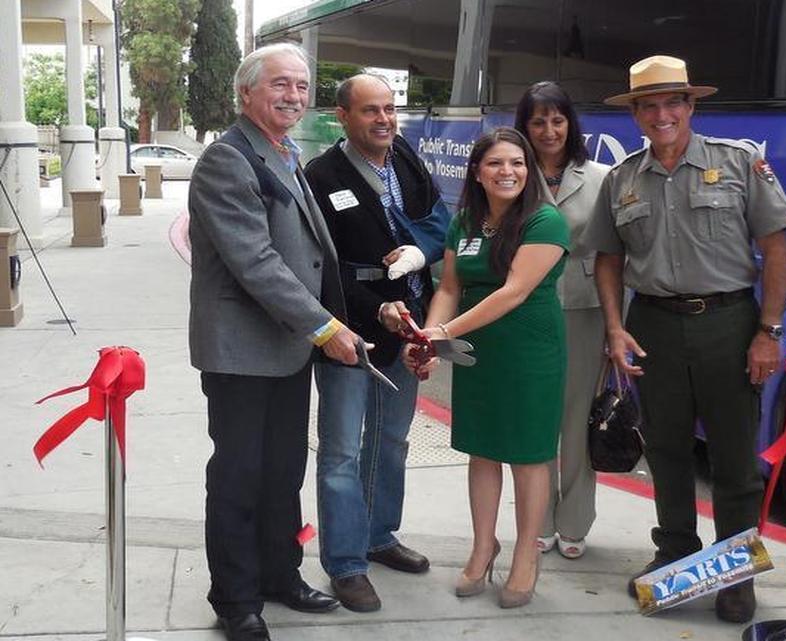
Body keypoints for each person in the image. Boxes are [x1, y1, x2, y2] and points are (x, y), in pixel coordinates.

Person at [580, 54, 786, 623]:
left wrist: (768, 332)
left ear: (690, 105)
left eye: (671, 102)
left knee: (732, 457)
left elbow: (776, 249)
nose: (661, 114)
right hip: (653, 325)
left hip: (728, 325)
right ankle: (675, 553)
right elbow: (608, 258)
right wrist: (614, 325)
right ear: (635, 114)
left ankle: (736, 572)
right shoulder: (623, 177)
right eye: (647, 105)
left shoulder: (739, 163)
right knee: (667, 449)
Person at [188, 43, 363, 641]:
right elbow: (256, 262)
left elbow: (310, 251)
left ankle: (279, 574)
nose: (294, 95)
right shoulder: (226, 160)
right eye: (280, 85)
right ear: (246, 94)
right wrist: (324, 326)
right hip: (240, 351)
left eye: (300, 85)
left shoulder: (285, 152)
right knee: (238, 474)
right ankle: (236, 598)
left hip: (285, 349)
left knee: (283, 470)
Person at [403, 127, 569, 609]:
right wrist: (426, 338)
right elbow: (449, 288)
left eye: (517, 163)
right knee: (482, 449)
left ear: (529, 170)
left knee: (528, 453)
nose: (508, 172)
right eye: (496, 163)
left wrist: (442, 335)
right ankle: (483, 546)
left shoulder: (545, 221)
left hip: (530, 351)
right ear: (478, 172)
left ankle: (525, 556)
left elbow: (513, 291)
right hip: (476, 350)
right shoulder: (466, 222)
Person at [303, 74, 448, 612]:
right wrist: (370, 312)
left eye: (389, 109)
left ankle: (380, 535)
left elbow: (439, 224)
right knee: (341, 451)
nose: (384, 120)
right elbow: (319, 266)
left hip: (407, 327)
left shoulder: (406, 159)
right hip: (348, 330)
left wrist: (418, 257)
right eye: (370, 111)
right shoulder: (320, 176)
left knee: (391, 441)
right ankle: (344, 562)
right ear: (343, 116)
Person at [513, 82, 608, 560]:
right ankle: (538, 518)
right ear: (524, 127)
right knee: (533, 416)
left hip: (584, 308)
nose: (549, 131)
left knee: (575, 419)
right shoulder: (512, 173)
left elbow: (616, 256)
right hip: (525, 306)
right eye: (537, 121)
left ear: (570, 124)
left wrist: (617, 326)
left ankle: (573, 519)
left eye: (557, 120)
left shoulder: (602, 177)